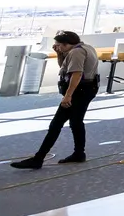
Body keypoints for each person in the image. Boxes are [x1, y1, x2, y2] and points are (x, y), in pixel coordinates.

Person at [12, 31, 100, 169]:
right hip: (87, 89)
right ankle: (78, 153)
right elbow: (65, 68)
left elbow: (76, 74)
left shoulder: (76, 53)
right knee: (76, 122)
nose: (57, 47)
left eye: (59, 45)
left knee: (56, 124)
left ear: (66, 44)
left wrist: (68, 95)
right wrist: (60, 54)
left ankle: (38, 158)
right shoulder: (86, 48)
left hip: (79, 91)